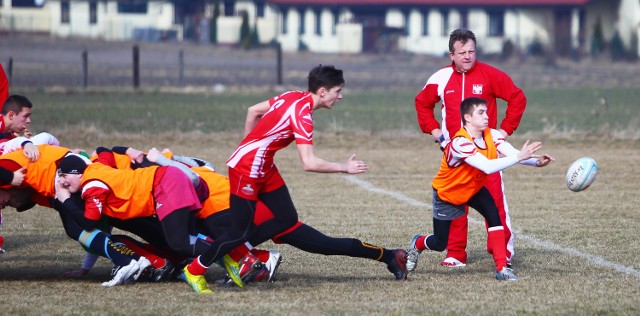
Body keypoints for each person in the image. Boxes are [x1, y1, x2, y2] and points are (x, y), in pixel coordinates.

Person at [181, 65, 402, 293]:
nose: (341, 96)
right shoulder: (304, 116)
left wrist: (250, 143)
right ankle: (195, 270)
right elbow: (309, 163)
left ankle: (238, 253)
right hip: (247, 169)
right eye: (338, 91)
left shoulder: (292, 95)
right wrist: (343, 167)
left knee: (287, 218)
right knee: (238, 232)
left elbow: (252, 111)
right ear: (323, 91)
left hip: (264, 166)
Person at [406, 97, 553, 281]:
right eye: (481, 112)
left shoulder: (492, 134)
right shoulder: (460, 142)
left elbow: (513, 154)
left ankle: (502, 269)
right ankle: (418, 243)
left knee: (494, 217)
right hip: (448, 193)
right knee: (439, 242)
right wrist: (520, 157)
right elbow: (487, 166)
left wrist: (537, 162)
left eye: (487, 112)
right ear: (467, 118)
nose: (487, 116)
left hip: (474, 189)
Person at [414, 28, 527, 268]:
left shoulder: (490, 75)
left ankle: (503, 252)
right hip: (456, 157)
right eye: (462, 52)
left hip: (486, 155)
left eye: (472, 51)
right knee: (456, 203)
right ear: (451, 55)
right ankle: (455, 253)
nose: (468, 56)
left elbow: (517, 97)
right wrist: (437, 134)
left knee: (494, 203)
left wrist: (504, 131)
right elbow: (422, 104)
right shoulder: (440, 78)